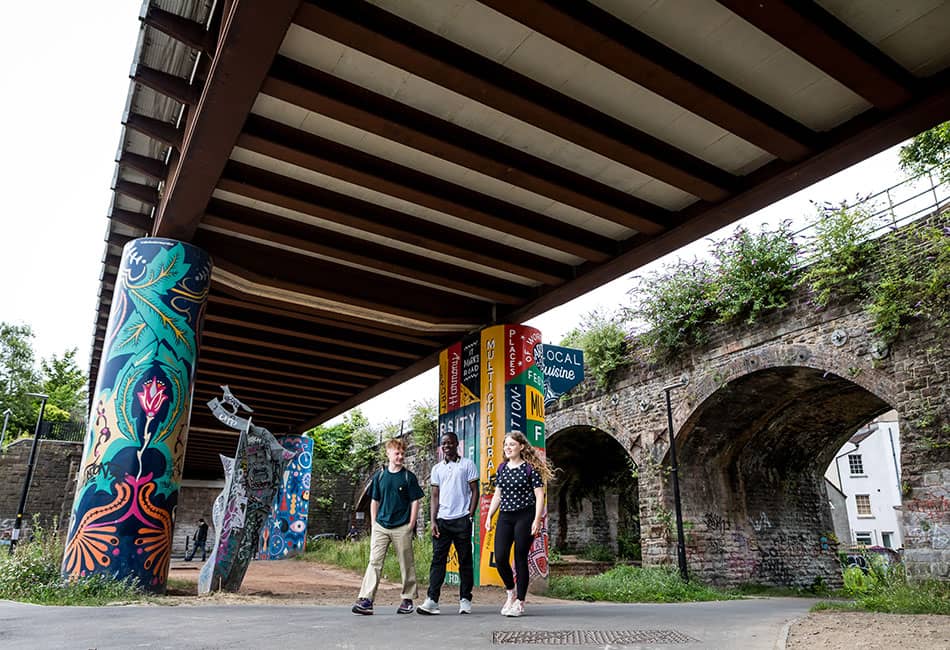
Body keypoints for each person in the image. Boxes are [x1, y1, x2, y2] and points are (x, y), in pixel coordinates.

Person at [485, 431, 554, 617]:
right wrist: (489, 516)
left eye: (512, 444)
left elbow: (540, 495)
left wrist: (537, 519)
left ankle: (520, 602)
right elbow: (497, 495)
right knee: (500, 557)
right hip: (505, 517)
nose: (508, 448)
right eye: (506, 444)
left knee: (520, 558)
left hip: (525, 516)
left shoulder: (530, 469)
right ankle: (510, 592)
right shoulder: (502, 468)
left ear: (521, 447)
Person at [352, 438, 424, 616]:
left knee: (406, 562)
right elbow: (374, 500)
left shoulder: (409, 477)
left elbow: (415, 500)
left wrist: (412, 523)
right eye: (397, 453)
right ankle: (366, 599)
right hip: (381, 526)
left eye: (402, 454)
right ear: (388, 454)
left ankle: (407, 599)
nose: (400, 456)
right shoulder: (380, 476)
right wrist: (375, 522)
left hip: (402, 526)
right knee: (374, 561)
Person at [418, 432, 479, 616]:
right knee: (438, 560)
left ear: (456, 445)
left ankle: (465, 599)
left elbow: (475, 491)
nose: (446, 446)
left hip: (462, 519)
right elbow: (434, 496)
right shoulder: (437, 469)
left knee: (465, 561)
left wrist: (470, 514)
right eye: (443, 443)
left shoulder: (467, 464)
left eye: (449, 443)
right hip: (443, 521)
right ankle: (432, 600)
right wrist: (433, 520)